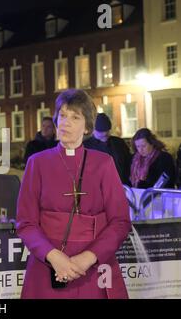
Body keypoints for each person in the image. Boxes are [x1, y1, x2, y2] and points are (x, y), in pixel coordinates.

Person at [16, 89, 131, 299]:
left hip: (93, 266)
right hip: (48, 265)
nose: (65, 122)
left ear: (87, 126)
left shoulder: (104, 163)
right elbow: (26, 223)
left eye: (75, 117)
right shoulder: (37, 163)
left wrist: (87, 258)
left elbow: (120, 221)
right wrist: (54, 258)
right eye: (62, 115)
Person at [83, 113, 132, 185]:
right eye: (101, 132)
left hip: (121, 185)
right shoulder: (85, 147)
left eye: (107, 131)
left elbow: (128, 163)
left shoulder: (119, 143)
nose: (105, 134)